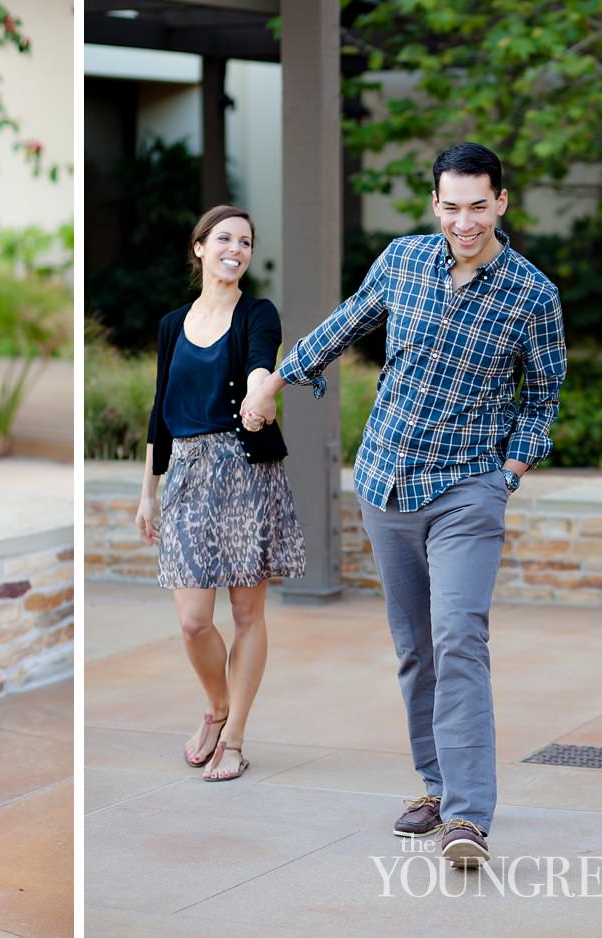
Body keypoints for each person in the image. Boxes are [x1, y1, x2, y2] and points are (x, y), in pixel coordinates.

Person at [244, 143, 567, 866]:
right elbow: (345, 324)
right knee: (415, 648)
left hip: (466, 489)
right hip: (387, 480)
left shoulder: (531, 295)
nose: (465, 221)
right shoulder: (403, 262)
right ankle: (434, 786)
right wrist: (273, 384)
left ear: (502, 203)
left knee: (459, 635)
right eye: (451, 207)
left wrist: (507, 472)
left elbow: (543, 399)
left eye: (479, 205)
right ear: (435, 206)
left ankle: (468, 817)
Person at [134, 205, 308, 783]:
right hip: (185, 471)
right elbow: (159, 410)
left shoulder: (259, 313)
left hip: (244, 471)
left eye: (246, 241)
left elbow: (263, 365)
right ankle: (217, 706)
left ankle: (234, 739)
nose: (236, 248)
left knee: (245, 612)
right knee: (192, 620)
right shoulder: (170, 324)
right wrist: (147, 492)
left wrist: (263, 394)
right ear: (200, 247)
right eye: (225, 238)